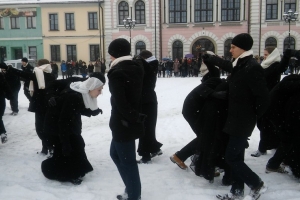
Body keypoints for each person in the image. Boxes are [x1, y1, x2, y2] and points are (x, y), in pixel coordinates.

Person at [203, 33, 269, 200]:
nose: (230, 49)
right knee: (237, 156)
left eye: (233, 47)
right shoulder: (241, 64)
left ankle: (256, 184)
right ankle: (236, 191)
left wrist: (253, 116)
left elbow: (263, 97)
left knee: (231, 157)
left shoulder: (252, 66)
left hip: (243, 121)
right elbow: (228, 66)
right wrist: (212, 58)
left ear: (243, 48)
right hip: (234, 119)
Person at [41, 76, 105, 185]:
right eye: (99, 89)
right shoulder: (74, 96)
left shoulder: (81, 92)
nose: (101, 92)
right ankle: (66, 174)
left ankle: (75, 170)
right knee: (67, 149)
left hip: (65, 124)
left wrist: (91, 112)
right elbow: (63, 121)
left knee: (77, 145)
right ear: (91, 88)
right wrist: (65, 142)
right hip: (56, 126)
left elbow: (77, 108)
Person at [107, 38, 144, 200]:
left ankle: (134, 195)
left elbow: (121, 102)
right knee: (115, 154)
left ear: (115, 54)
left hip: (123, 123)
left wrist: (132, 117)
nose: (110, 58)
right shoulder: (137, 67)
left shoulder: (117, 72)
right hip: (128, 121)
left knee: (128, 162)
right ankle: (131, 188)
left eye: (111, 55)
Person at [0, 59, 56, 155]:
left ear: (41, 66)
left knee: (41, 128)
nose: (36, 67)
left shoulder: (41, 75)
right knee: (44, 128)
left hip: (43, 105)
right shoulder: (48, 75)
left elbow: (23, 74)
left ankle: (50, 147)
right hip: (45, 105)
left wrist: (7, 68)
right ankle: (46, 148)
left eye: (38, 65)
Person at [251, 46, 289, 157]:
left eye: (266, 54)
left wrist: (287, 55)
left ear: (272, 55)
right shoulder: (265, 65)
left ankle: (262, 148)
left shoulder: (275, 65)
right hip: (263, 98)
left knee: (265, 124)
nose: (264, 56)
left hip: (271, 99)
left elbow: (282, 67)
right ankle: (273, 144)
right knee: (264, 124)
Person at [134, 50, 163, 164]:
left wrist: (138, 61)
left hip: (145, 99)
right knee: (149, 126)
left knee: (145, 127)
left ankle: (146, 154)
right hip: (150, 98)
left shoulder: (147, 66)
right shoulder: (152, 65)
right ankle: (154, 148)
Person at [0, 71, 13, 143]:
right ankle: (2, 133)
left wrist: (10, 95)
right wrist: (10, 95)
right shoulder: (1, 76)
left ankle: (2, 133)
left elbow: (6, 86)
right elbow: (6, 86)